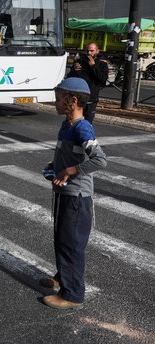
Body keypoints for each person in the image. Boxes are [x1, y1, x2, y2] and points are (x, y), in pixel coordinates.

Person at [39, 77, 106, 310]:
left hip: (77, 197)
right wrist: (55, 165)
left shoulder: (82, 127)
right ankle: (61, 278)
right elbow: (70, 153)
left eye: (59, 99)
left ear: (73, 100)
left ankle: (73, 294)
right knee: (62, 239)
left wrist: (70, 170)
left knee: (72, 244)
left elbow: (100, 160)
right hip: (64, 192)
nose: (55, 103)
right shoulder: (66, 124)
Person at [66, 42, 108, 123]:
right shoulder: (79, 62)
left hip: (91, 99)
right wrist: (74, 70)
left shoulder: (102, 64)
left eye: (92, 51)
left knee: (87, 124)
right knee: (72, 123)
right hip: (78, 98)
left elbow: (103, 79)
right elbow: (70, 78)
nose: (89, 53)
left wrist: (93, 66)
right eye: (87, 51)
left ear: (97, 51)